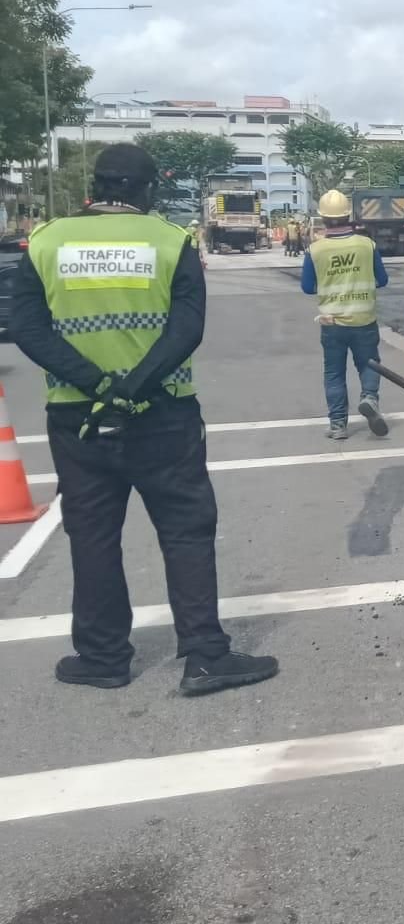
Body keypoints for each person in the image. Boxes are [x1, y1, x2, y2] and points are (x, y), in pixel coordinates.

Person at [10, 144, 278, 694]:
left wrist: (97, 386)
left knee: (93, 536)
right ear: (145, 189)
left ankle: (103, 657)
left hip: (77, 418)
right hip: (162, 413)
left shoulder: (45, 241)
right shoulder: (168, 240)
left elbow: (29, 329)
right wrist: (132, 385)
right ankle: (204, 655)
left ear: (96, 184)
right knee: (185, 532)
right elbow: (186, 328)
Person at [303, 189, 389, 439]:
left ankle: (338, 424)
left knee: (334, 372)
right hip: (364, 320)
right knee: (369, 363)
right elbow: (382, 280)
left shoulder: (315, 250)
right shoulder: (366, 245)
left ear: (324, 218)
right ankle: (370, 398)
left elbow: (308, 287)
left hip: (332, 323)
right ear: (348, 215)